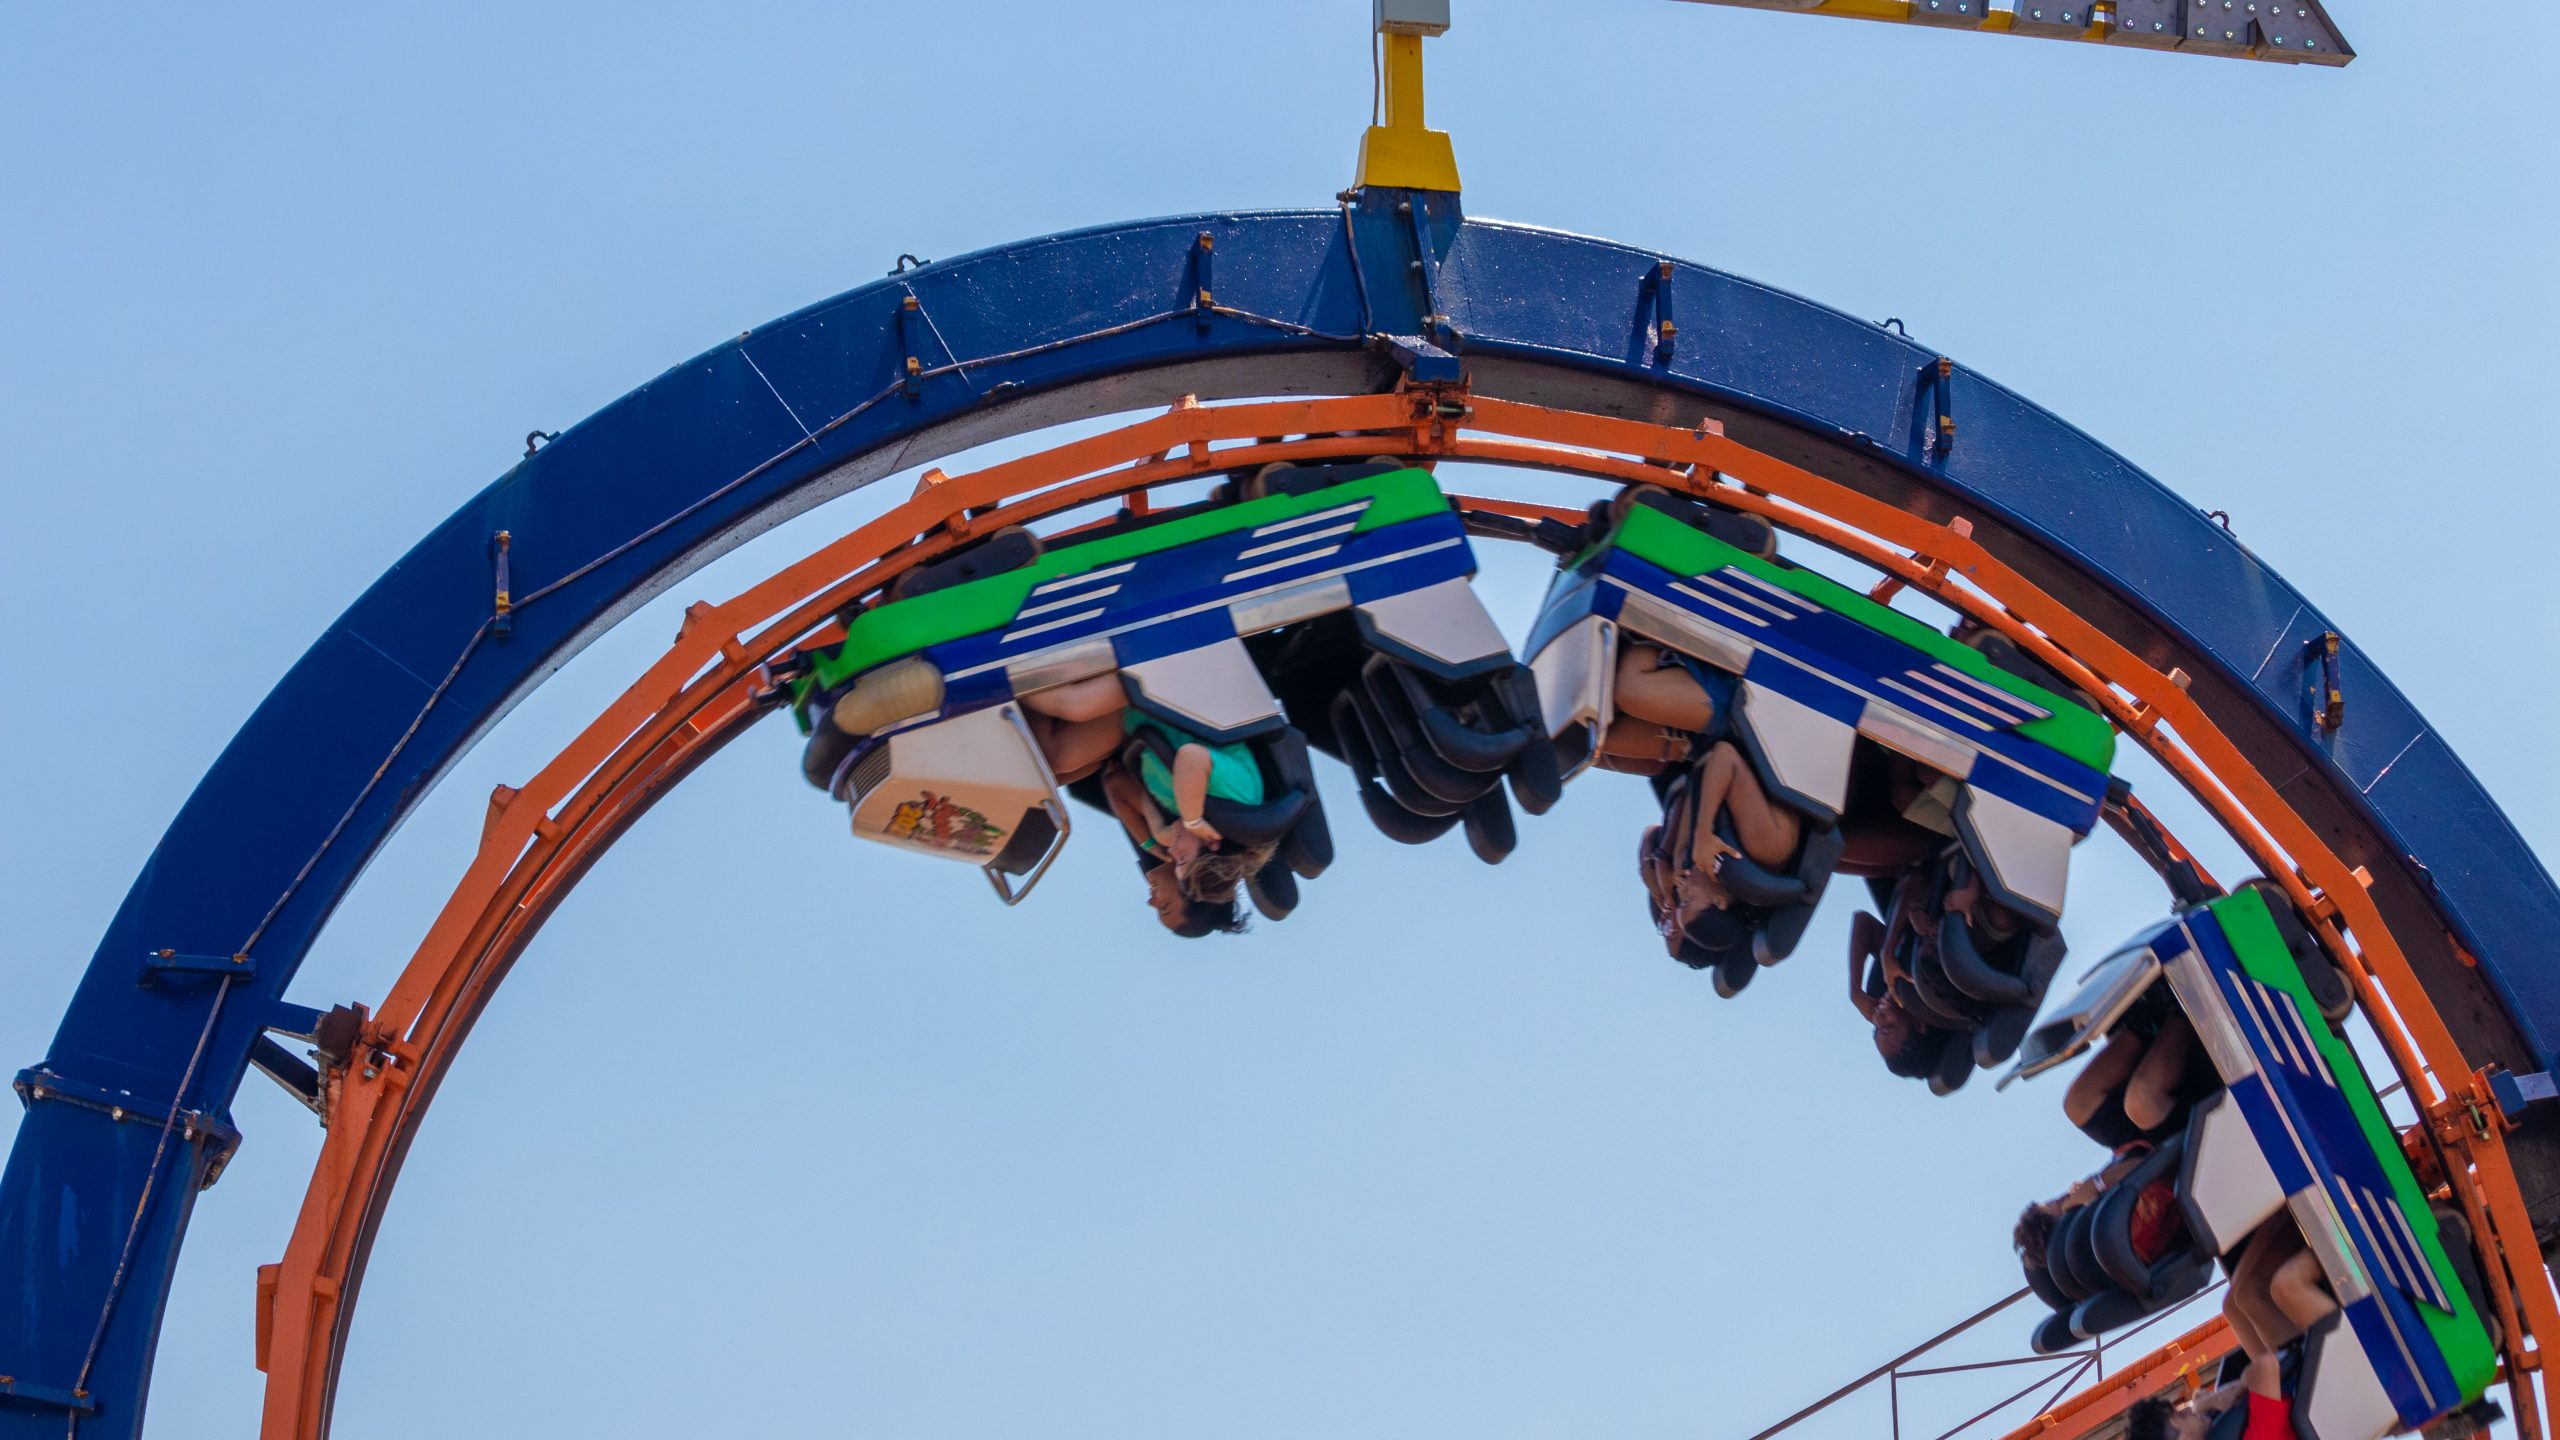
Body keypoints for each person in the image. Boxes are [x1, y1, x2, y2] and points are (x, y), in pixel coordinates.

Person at [1020, 672, 1276, 933]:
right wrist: (1191, 819)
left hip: (1137, 716)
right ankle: (1005, 680)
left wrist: (1157, 837)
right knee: (1067, 724)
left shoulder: (1177, 828)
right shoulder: (1238, 797)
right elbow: (1192, 757)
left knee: (1046, 771)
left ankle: (1007, 700)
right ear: (1211, 841)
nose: (1173, 855)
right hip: (1162, 688)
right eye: (1182, 858)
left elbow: (1116, 782)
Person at [1601, 642, 1803, 929]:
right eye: (1686, 901)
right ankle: (1649, 636)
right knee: (1629, 690)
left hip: (1699, 742)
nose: (1681, 890)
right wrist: (1701, 833)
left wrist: (1676, 854)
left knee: (1597, 744)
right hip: (1744, 708)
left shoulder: (1703, 859)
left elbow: (1691, 785)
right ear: (1720, 901)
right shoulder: (1766, 851)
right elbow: (1725, 756)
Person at [2065, 1011, 2212, 1152]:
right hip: (2175, 1154)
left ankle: (2146, 1019)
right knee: (2141, 1103)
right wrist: (2101, 1179)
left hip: (2135, 1147)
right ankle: (2184, 1010)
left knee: (2077, 1105)